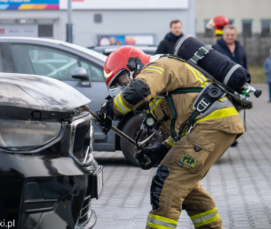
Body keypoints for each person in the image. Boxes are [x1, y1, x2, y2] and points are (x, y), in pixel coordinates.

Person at [95, 46, 245, 229]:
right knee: (186, 188)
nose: (124, 85)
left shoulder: (158, 65)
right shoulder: (160, 91)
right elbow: (183, 127)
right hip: (211, 124)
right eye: (119, 84)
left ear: (134, 64)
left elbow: (139, 90)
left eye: (123, 78)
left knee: (166, 183)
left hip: (211, 124)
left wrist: (109, 110)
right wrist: (162, 150)